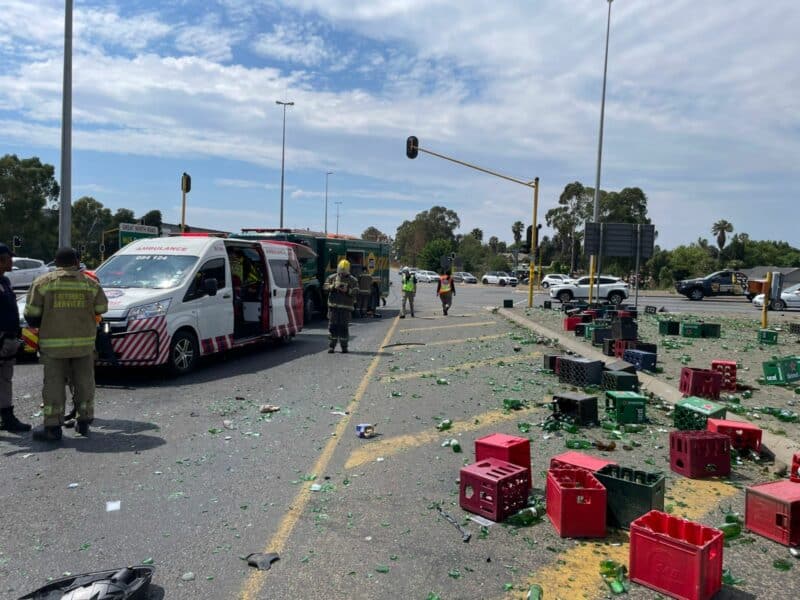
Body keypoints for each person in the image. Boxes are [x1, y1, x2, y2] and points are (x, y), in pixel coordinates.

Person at [24, 247, 108, 441]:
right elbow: (102, 307)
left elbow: (31, 314)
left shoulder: (43, 283)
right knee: (84, 382)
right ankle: (84, 421)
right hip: (84, 344)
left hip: (53, 346)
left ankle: (53, 427)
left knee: (54, 384)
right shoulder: (90, 283)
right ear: (76, 263)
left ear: (56, 263)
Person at [0, 242, 31, 433]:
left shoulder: (4, 281)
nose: (12, 261)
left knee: (4, 379)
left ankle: (6, 417)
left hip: (8, 338)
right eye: (9, 258)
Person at [323, 259, 359, 353]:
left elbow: (356, 292)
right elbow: (325, 288)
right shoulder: (332, 277)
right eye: (341, 271)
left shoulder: (353, 280)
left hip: (346, 308)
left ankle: (344, 347)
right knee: (332, 327)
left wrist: (347, 290)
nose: (342, 273)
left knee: (343, 327)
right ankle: (332, 346)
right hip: (333, 307)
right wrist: (333, 286)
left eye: (344, 272)